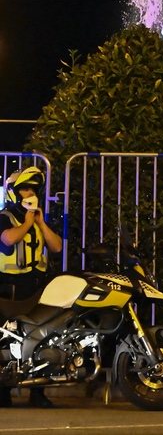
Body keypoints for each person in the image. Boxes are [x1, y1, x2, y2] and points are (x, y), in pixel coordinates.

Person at [0, 166, 63, 408]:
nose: (30, 193)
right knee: (8, 340)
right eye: (25, 189)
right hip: (11, 287)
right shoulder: (6, 217)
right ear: (14, 193)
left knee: (42, 337)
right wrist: (27, 222)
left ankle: (38, 391)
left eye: (33, 190)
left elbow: (56, 247)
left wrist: (40, 223)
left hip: (37, 285)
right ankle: (4, 392)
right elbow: (8, 239)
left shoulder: (36, 219)